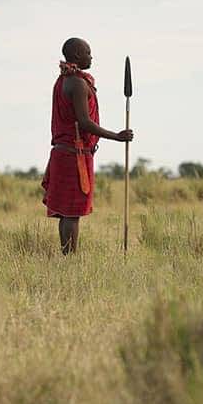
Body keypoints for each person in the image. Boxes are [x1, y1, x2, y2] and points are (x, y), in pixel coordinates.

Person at [42, 37, 134, 254]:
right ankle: (69, 260)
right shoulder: (76, 83)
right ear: (76, 55)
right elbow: (84, 122)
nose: (91, 57)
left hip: (67, 154)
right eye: (88, 52)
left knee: (68, 212)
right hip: (74, 155)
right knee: (71, 212)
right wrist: (117, 136)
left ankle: (68, 258)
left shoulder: (65, 79)